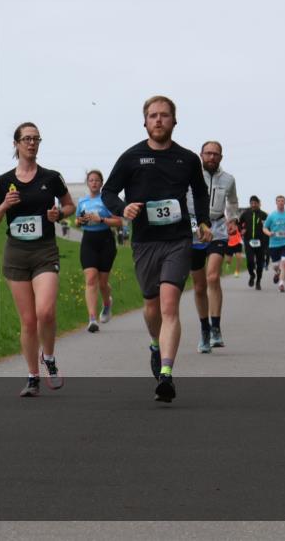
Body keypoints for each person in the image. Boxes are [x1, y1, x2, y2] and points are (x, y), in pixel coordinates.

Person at [102, 96, 211, 403]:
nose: (159, 120)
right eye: (153, 116)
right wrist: (125, 208)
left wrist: (202, 220)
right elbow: (109, 191)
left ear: (174, 121)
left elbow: (200, 192)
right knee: (151, 309)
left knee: (168, 306)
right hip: (145, 241)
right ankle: (154, 343)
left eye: (164, 115)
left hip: (178, 240)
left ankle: (166, 373)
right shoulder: (131, 157)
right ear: (145, 122)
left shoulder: (188, 159)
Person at [0, 123, 75, 397]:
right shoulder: (3, 181)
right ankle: (32, 376)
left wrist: (58, 215)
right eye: (26, 139)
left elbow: (70, 205)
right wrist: (4, 205)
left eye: (36, 139)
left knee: (45, 312)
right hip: (16, 253)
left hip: (45, 250)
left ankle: (48, 358)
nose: (32, 143)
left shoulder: (52, 177)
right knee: (27, 321)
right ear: (16, 144)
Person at [200, 141, 239, 349]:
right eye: (208, 153)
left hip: (217, 228)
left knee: (212, 276)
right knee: (198, 284)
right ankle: (204, 328)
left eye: (215, 154)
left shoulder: (228, 179)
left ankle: (215, 327)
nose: (211, 157)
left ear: (221, 157)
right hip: (194, 229)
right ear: (201, 155)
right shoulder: (192, 175)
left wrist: (232, 219)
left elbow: (232, 202)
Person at [74, 170, 123, 333]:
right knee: (90, 279)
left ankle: (107, 303)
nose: (94, 183)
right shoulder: (82, 201)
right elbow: (76, 221)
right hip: (88, 241)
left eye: (97, 180)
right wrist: (80, 221)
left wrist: (101, 219)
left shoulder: (107, 200)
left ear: (101, 183)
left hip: (106, 241)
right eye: (91, 180)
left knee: (102, 283)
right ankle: (92, 319)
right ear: (87, 183)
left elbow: (119, 222)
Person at [187, 189, 213, 354]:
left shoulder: (198, 184)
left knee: (200, 287)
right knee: (169, 289)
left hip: (198, 241)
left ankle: (205, 329)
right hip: (173, 241)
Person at [263, 195, 285, 293]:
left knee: (284, 263)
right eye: (279, 201)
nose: (280, 202)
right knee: (276, 265)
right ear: (276, 203)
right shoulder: (272, 216)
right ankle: (277, 272)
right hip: (274, 244)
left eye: (282, 201)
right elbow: (264, 228)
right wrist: (269, 233)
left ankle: (281, 284)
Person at [238, 195, 270, 290]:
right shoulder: (245, 213)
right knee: (250, 261)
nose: (253, 205)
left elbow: (269, 226)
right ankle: (252, 275)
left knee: (260, 263)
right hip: (248, 240)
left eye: (255, 203)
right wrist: (242, 230)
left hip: (261, 242)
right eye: (251, 203)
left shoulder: (264, 215)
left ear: (258, 203)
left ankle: (258, 281)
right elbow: (239, 224)